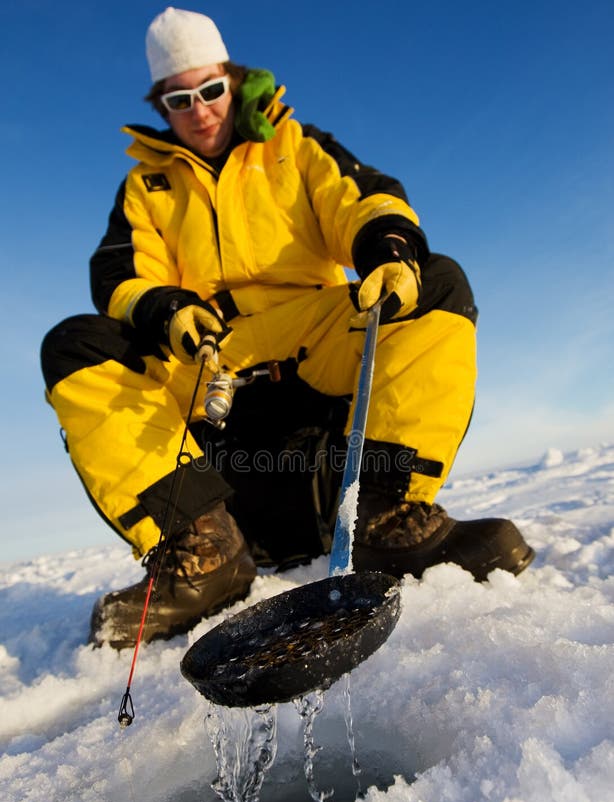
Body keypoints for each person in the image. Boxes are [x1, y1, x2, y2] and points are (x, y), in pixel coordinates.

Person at [40, 7, 534, 650]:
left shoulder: (296, 148)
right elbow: (121, 276)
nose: (200, 109)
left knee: (433, 284)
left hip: (315, 334)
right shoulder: (144, 187)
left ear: (231, 79)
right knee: (77, 347)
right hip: (210, 352)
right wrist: (168, 310)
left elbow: (366, 201)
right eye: (180, 97)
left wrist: (388, 252)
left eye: (210, 89)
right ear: (162, 103)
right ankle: (203, 551)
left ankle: (388, 518)